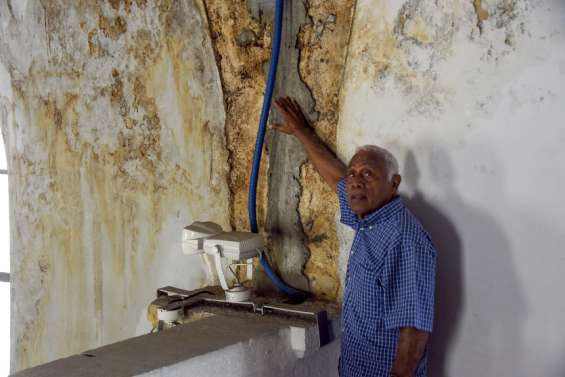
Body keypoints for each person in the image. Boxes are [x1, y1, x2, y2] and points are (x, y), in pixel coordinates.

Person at [271, 97, 437, 377]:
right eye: (354, 174)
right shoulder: (370, 218)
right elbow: (336, 178)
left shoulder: (403, 237)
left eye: (368, 174)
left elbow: (414, 324)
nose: (356, 181)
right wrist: (302, 133)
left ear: (394, 183)